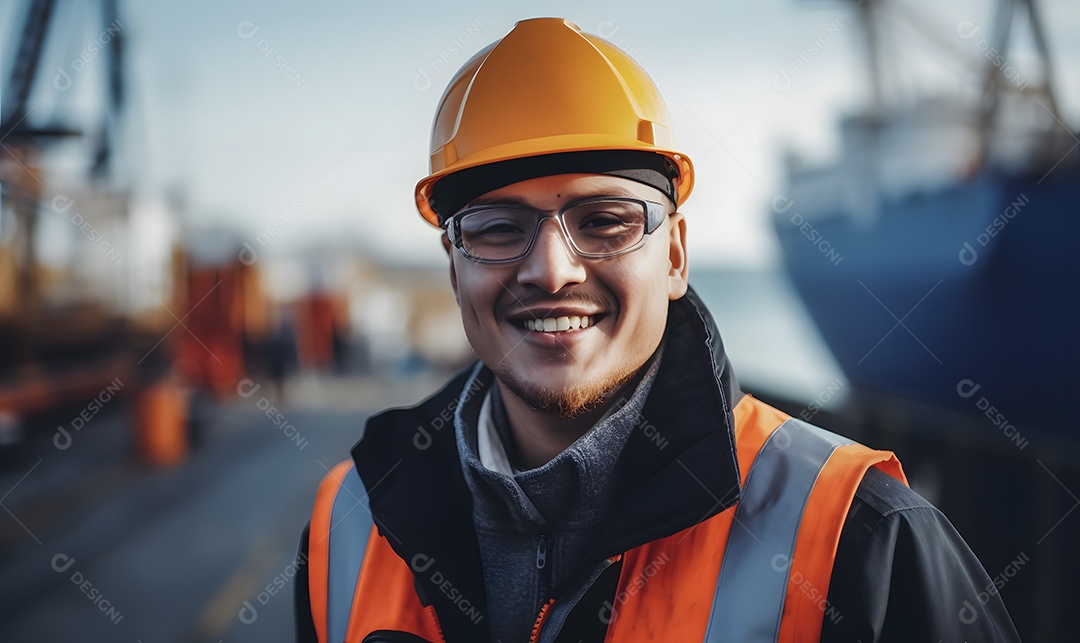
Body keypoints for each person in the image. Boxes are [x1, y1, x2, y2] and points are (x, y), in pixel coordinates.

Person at [294, 17, 1020, 643]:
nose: (551, 270)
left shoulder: (858, 538)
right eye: (496, 228)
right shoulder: (347, 526)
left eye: (605, 221)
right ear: (454, 270)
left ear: (674, 256)